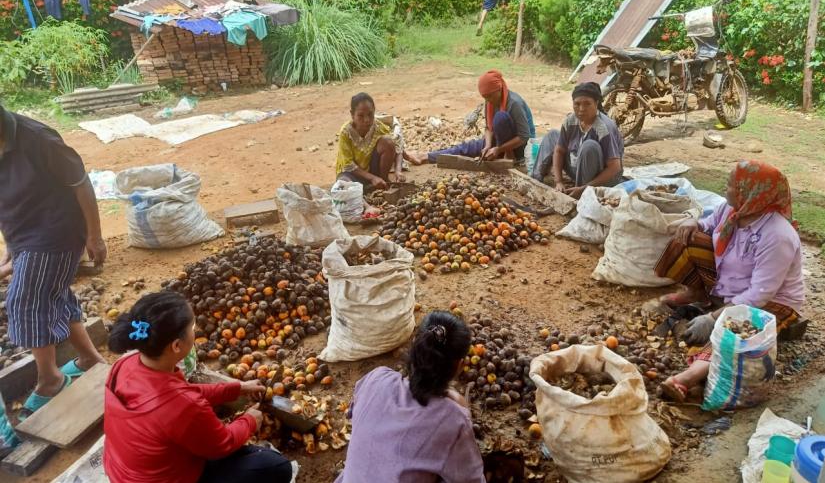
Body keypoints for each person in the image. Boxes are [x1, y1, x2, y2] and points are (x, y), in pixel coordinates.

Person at [104, 292, 295, 483]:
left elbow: (183, 393)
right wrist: (250, 420)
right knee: (277, 467)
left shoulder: (127, 363)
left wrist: (237, 388)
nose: (195, 332)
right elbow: (223, 444)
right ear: (176, 345)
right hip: (165, 479)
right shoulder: (181, 405)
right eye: (193, 327)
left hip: (125, 471)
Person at [654, 160, 804, 402]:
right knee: (689, 237)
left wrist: (713, 318)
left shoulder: (777, 236)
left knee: (738, 332)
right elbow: (709, 225)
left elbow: (760, 294)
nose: (726, 188)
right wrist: (694, 222)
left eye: (732, 184)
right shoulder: (732, 210)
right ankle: (697, 294)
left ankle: (687, 378)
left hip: (772, 301)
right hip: (732, 286)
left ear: (750, 193)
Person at [0, 104, 107, 419]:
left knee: (25, 300)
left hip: (57, 231)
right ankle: (89, 359)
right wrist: (12, 245)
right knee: (53, 293)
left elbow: (81, 183)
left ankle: (50, 379)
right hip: (24, 235)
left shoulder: (37, 138)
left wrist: (95, 236)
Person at [335, 312, 485, 483]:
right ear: (459, 365)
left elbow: (353, 414)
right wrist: (462, 410)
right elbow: (471, 480)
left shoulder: (376, 378)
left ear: (415, 345)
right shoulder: (453, 419)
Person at [411, 70, 535, 165]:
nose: (488, 100)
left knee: (500, 117)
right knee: (468, 148)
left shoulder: (514, 103)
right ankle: (426, 156)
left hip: (519, 148)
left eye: (490, 96)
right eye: (485, 97)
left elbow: (524, 136)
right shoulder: (490, 101)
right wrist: (487, 146)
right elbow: (488, 128)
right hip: (499, 142)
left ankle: (508, 156)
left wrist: (499, 149)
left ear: (499, 89)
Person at [531, 82, 624, 199]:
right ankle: (535, 179)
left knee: (589, 146)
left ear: (596, 103)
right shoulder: (570, 121)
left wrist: (584, 188)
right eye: (577, 104)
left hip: (603, 178)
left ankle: (580, 192)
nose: (581, 109)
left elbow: (615, 167)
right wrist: (559, 181)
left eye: (587, 104)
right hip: (577, 168)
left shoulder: (603, 128)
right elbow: (559, 151)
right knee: (552, 135)